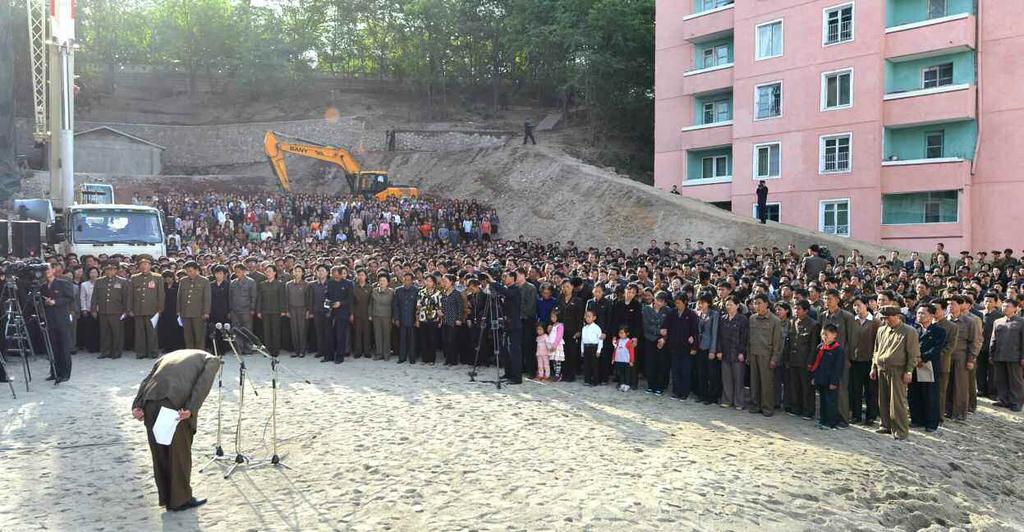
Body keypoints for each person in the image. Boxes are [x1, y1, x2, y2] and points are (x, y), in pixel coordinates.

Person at [131, 349, 222, 512]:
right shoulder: (211, 359)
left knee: (159, 453)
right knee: (179, 454)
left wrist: (137, 405)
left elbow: (147, 380)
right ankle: (181, 500)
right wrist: (191, 408)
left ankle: (167, 498)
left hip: (150, 402)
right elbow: (202, 386)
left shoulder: (167, 356)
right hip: (175, 406)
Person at [870, 306, 921, 441]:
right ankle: (885, 425)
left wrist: (909, 371)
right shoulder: (881, 330)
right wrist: (873, 367)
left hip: (898, 370)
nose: (886, 320)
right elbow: (876, 350)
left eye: (888, 317)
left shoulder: (909, 332)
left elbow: (913, 354)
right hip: (882, 368)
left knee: (897, 402)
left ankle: (900, 430)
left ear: (897, 316)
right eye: (884, 318)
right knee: (883, 399)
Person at [910, 303, 945, 433]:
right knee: (914, 392)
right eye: (918, 313)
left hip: (928, 365)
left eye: (923, 313)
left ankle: (931, 422)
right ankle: (916, 419)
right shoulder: (913, 329)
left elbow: (936, 349)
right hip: (913, 364)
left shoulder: (939, 331)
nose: (919, 315)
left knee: (930, 394)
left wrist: (922, 358)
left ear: (931, 315)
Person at [747, 294, 783, 416]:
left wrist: (774, 358)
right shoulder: (752, 318)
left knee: (766, 383)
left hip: (767, 356)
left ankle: (767, 407)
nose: (756, 305)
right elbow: (749, 339)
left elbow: (777, 343)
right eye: (755, 303)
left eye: (759, 303)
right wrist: (748, 355)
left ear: (766, 304)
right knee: (754, 382)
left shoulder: (775, 321)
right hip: (753, 354)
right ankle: (755, 405)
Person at [948, 295, 981, 420]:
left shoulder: (970, 321)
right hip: (947, 357)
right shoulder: (945, 320)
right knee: (948, 385)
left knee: (960, 386)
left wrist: (971, 359)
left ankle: (960, 412)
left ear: (961, 306)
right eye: (949, 304)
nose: (950, 307)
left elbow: (975, 342)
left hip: (962, 356)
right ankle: (949, 409)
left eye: (953, 304)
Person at [785, 300, 820, 419]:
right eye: (795, 308)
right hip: (793, 359)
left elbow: (813, 346)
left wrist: (810, 362)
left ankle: (808, 411)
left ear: (806, 311)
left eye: (799, 309)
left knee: (807, 388)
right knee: (795, 386)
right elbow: (789, 342)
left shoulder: (813, 324)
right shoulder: (792, 322)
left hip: (805, 361)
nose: (796, 311)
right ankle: (796, 408)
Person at [41, 265, 75, 383]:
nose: (46, 272)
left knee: (64, 347)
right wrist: (45, 302)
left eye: (48, 269)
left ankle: (65, 373)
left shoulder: (62, 283)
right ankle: (54, 371)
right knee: (53, 347)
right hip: (50, 320)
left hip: (61, 319)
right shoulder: (43, 286)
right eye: (44, 271)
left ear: (53, 270)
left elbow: (70, 297)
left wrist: (55, 302)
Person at [989, 298, 1024, 412]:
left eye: (1008, 306)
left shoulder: (1021, 322)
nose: (1005, 308)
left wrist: (1023, 357)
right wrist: (991, 354)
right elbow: (993, 339)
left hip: (1015, 356)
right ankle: (1003, 400)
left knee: (1015, 381)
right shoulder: (998, 321)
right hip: (999, 355)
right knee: (1001, 379)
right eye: (1003, 306)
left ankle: (1016, 402)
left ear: (1015, 308)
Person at [850, 297, 879, 425]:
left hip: (869, 361)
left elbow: (878, 343)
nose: (856, 308)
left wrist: (875, 362)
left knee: (870, 391)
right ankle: (856, 415)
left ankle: (870, 416)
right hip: (854, 360)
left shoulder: (875, 322)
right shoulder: (852, 321)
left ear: (866, 305)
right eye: (854, 305)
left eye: (859, 305)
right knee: (855, 390)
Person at [809, 323, 845, 430]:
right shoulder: (820, 347)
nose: (824, 337)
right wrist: (814, 377)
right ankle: (822, 420)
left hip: (830, 381)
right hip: (821, 379)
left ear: (834, 335)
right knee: (822, 401)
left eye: (827, 334)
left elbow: (838, 368)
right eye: (822, 334)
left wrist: (834, 382)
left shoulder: (838, 350)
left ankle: (831, 422)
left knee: (831, 402)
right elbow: (816, 364)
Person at [664, 293, 699, 400]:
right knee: (675, 370)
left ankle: (684, 392)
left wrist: (694, 347)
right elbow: (665, 326)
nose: (677, 305)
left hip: (686, 347)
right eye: (676, 303)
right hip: (674, 346)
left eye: (679, 303)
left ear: (685, 302)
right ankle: (676, 391)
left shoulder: (691, 314)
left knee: (685, 370)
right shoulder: (672, 313)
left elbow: (695, 331)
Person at [92, 262, 131, 359]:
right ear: (104, 271)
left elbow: (126, 297)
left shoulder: (123, 281)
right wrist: (93, 309)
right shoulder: (99, 281)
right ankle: (105, 351)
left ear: (116, 270)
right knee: (104, 333)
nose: (110, 271)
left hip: (117, 311)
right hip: (103, 310)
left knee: (117, 333)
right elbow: (95, 297)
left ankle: (117, 352)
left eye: (112, 269)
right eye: (108, 269)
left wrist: (126, 310)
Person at [130, 256, 165, 359]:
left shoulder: (157, 277)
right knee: (139, 332)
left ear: (150, 266)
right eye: (142, 265)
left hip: (152, 309)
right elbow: (130, 295)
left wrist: (160, 309)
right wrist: (130, 309)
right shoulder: (134, 278)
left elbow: (161, 294)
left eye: (146, 265)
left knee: (152, 332)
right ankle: (141, 352)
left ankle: (153, 352)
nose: (144, 267)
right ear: (139, 267)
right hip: (138, 309)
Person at [718, 296, 749, 410]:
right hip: (725, 352)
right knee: (726, 378)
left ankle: (739, 402)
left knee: (738, 378)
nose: (729, 307)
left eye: (731, 304)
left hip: (737, 353)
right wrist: (719, 350)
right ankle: (727, 400)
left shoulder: (742, 319)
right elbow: (719, 336)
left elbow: (744, 337)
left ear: (737, 305)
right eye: (727, 304)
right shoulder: (723, 318)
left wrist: (742, 352)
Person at [177, 261, 211, 350]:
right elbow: (179, 296)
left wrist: (206, 312)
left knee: (199, 335)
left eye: (191, 271)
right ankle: (190, 354)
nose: (189, 273)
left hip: (198, 313)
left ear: (196, 270)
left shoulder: (204, 281)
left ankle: (200, 353)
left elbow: (207, 298)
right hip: (185, 313)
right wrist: (178, 310)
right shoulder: (183, 281)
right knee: (188, 336)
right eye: (187, 271)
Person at [695, 294, 720, 404]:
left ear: (708, 303)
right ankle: (702, 394)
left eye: (703, 302)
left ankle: (712, 396)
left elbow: (714, 333)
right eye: (699, 302)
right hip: (700, 346)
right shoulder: (698, 313)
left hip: (709, 346)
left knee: (712, 373)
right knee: (701, 372)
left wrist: (712, 350)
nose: (701, 304)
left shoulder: (714, 314)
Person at [326, 266, 354, 364]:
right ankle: (329, 355)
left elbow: (350, 299)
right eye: (332, 273)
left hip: (342, 313)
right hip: (331, 312)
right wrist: (328, 304)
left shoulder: (348, 283)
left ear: (340, 273)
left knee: (340, 335)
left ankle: (340, 356)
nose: (334, 275)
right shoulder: (329, 283)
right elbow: (327, 295)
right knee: (330, 335)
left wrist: (341, 303)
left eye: (336, 273)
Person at [257, 265, 286, 357]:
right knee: (266, 332)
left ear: (274, 273)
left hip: (276, 311)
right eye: (266, 271)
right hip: (265, 311)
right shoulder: (262, 284)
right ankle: (268, 349)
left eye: (270, 271)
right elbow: (259, 299)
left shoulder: (280, 284)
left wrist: (283, 310)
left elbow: (282, 298)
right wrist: (259, 311)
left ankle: (275, 350)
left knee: (275, 331)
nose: (268, 273)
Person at [229, 263, 258, 353]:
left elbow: (254, 296)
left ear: (244, 271)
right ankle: (239, 349)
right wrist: (230, 310)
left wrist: (252, 309)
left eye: (239, 271)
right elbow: (230, 297)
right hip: (235, 310)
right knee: (236, 330)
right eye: (236, 271)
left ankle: (248, 348)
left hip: (246, 309)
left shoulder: (251, 282)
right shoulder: (233, 283)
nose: (237, 273)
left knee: (247, 329)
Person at [393, 273, 418, 364]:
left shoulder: (416, 290)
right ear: (402, 280)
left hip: (412, 318)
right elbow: (395, 306)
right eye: (405, 279)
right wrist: (396, 318)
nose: (407, 281)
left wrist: (417, 319)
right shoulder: (398, 290)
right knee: (402, 339)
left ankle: (412, 357)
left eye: (409, 280)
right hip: (402, 318)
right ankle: (402, 357)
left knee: (412, 339)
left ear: (412, 281)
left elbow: (417, 306)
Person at [285, 266, 310, 358]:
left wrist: (308, 310)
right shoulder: (288, 284)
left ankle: (302, 350)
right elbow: (286, 298)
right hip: (292, 309)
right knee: (294, 330)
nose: (297, 273)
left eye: (299, 271)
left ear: (303, 273)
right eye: (295, 271)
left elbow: (308, 299)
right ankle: (296, 350)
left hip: (302, 309)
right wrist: (287, 310)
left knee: (302, 330)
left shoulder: (306, 284)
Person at [370, 273, 395, 360]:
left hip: (387, 316)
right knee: (377, 335)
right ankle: (379, 353)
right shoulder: (374, 291)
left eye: (384, 280)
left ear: (388, 282)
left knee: (386, 335)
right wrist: (370, 314)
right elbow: (371, 304)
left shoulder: (391, 292)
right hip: (376, 315)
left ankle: (386, 354)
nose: (382, 282)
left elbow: (393, 305)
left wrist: (394, 317)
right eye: (380, 280)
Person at [77, 266, 100, 353]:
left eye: (95, 272)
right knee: (90, 330)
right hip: (89, 309)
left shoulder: (101, 282)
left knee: (100, 329)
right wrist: (84, 309)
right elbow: (82, 297)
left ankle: (100, 346)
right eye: (91, 272)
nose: (93, 274)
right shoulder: (84, 285)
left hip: (100, 309)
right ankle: (91, 347)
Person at [310, 265, 331, 360]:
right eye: (319, 271)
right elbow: (310, 299)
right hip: (317, 311)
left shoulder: (331, 284)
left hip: (328, 312)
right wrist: (310, 311)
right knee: (318, 332)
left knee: (327, 332)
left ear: (327, 272)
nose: (321, 273)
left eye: (323, 271)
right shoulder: (313, 285)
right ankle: (320, 350)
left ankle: (328, 351)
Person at [351, 269, 373, 359]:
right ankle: (358, 351)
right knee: (357, 332)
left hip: (367, 313)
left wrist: (370, 314)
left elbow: (371, 302)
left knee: (367, 332)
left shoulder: (370, 288)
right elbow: (351, 302)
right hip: (357, 313)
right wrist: (351, 313)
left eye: (362, 275)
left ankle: (367, 351)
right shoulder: (354, 288)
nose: (361, 277)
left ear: (366, 276)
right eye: (359, 275)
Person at [581, 309, 604, 386]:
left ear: (594, 318)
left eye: (589, 316)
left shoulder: (597, 328)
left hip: (594, 347)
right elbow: (582, 340)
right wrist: (582, 350)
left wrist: (599, 350)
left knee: (594, 365)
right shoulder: (584, 328)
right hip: (586, 347)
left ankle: (595, 381)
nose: (587, 318)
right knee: (587, 365)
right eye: (586, 316)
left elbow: (600, 340)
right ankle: (587, 380)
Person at [611, 326, 637, 392]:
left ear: (627, 333)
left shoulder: (629, 341)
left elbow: (631, 352)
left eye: (622, 333)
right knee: (621, 373)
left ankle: (627, 385)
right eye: (620, 333)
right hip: (619, 360)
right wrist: (613, 358)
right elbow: (615, 350)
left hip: (626, 361)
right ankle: (622, 384)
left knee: (627, 374)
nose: (621, 334)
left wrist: (631, 361)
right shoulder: (618, 341)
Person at [547, 310, 566, 380]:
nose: (552, 318)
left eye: (554, 317)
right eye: (551, 317)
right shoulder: (553, 325)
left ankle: (558, 374)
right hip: (551, 345)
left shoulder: (560, 326)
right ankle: (555, 373)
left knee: (558, 361)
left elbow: (559, 336)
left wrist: (555, 345)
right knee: (554, 361)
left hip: (557, 346)